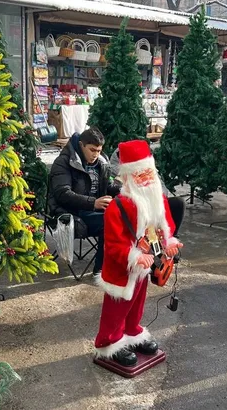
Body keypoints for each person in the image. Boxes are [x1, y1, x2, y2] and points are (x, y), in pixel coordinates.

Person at [94, 140, 182, 366]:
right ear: (127, 178)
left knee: (136, 305)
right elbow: (113, 245)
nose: (146, 179)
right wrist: (134, 256)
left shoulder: (158, 200)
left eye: (148, 174)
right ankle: (109, 343)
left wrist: (169, 243)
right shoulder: (117, 207)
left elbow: (166, 226)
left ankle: (132, 333)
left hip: (145, 266)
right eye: (139, 175)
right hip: (122, 270)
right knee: (116, 308)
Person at [48, 127, 120, 275]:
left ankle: (116, 265)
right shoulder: (63, 162)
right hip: (71, 213)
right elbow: (63, 194)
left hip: (94, 211)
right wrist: (93, 203)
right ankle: (101, 271)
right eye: (92, 150)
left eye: (99, 151)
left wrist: (124, 189)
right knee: (111, 223)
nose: (96, 154)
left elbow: (108, 187)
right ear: (81, 145)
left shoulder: (102, 162)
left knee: (125, 217)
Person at [108, 145, 185, 237]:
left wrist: (155, 194)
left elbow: (162, 188)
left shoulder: (149, 169)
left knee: (177, 203)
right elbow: (116, 191)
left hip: (152, 205)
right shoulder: (120, 173)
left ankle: (170, 238)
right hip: (132, 208)